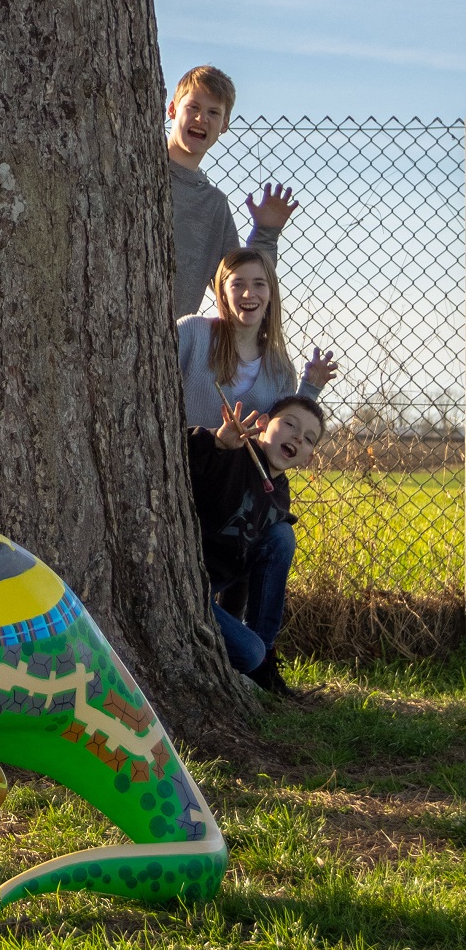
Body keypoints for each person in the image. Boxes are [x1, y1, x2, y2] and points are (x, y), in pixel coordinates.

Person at [187, 393, 327, 696]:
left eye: (308, 438)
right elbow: (182, 453)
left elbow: (247, 565)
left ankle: (264, 659)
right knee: (248, 653)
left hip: (210, 597)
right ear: (262, 424)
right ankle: (256, 660)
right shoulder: (234, 452)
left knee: (282, 534)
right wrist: (217, 441)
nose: (297, 437)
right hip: (183, 586)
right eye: (289, 424)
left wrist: (234, 617)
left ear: (310, 456)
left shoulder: (279, 493)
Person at [167, 64, 299, 319]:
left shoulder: (213, 206)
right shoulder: (136, 171)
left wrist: (266, 234)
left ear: (224, 124)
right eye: (193, 107)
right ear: (172, 109)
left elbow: (240, 284)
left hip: (163, 343)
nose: (201, 118)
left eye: (213, 112)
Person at [178, 247, 337, 429]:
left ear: (271, 293)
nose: (248, 294)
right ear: (222, 292)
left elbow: (278, 437)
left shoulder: (280, 369)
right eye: (237, 284)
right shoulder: (193, 333)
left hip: (240, 459)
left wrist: (309, 389)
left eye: (259, 284)